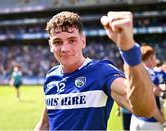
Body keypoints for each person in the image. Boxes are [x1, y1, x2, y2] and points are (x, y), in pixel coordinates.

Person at [34, 11, 165, 130]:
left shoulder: (101, 71)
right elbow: (46, 123)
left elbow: (145, 110)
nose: (64, 48)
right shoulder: (51, 76)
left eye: (72, 40)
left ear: (83, 41)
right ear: (50, 45)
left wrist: (129, 50)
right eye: (57, 42)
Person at [130, 44, 166, 130]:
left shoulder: (137, 72)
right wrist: (164, 123)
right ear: (151, 58)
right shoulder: (151, 75)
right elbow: (152, 100)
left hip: (135, 118)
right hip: (151, 121)